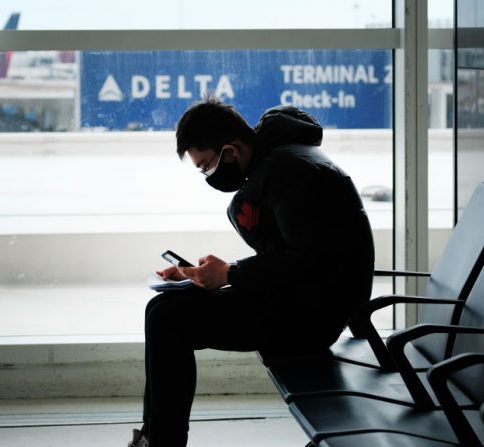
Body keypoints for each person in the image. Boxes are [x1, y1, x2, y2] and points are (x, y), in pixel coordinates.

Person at [128, 99, 375, 447]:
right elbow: (292, 256)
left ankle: (161, 441)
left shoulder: (292, 173)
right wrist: (200, 274)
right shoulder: (282, 162)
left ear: (230, 150)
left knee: (167, 319)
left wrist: (230, 272)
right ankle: (155, 438)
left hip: (313, 317)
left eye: (205, 167)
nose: (207, 177)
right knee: (161, 310)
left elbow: (308, 262)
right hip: (301, 299)